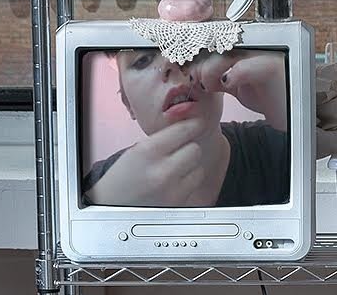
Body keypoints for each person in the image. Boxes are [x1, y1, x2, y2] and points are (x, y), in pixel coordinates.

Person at [83, 45, 290, 207]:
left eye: (188, 48)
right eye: (143, 60)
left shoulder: (280, 147)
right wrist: (101, 207)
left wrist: (299, 108)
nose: (172, 63)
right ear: (128, 105)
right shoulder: (96, 185)